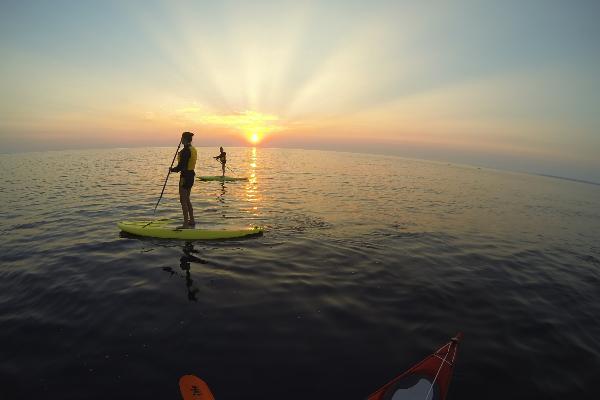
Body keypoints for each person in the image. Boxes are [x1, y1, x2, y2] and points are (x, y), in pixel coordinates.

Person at [170, 132, 197, 228]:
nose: (180, 140)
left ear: (185, 139)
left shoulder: (185, 151)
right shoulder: (192, 149)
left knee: (183, 200)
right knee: (187, 199)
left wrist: (172, 170)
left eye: (182, 138)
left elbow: (181, 166)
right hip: (191, 176)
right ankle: (192, 220)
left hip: (185, 177)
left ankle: (185, 224)